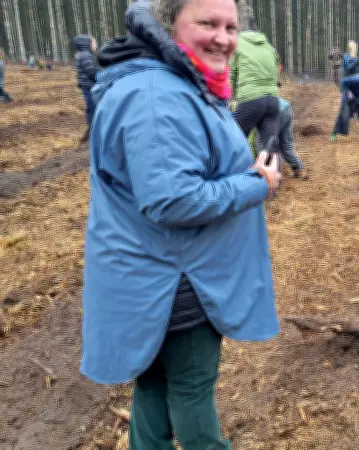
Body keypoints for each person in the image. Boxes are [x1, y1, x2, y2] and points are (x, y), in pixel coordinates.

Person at [81, 1, 281, 448]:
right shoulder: (158, 94)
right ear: (170, 25)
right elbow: (173, 200)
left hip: (154, 273)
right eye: (207, 23)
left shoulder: (167, 81)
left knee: (153, 388)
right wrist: (257, 183)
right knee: (190, 390)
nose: (223, 38)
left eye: (230, 26)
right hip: (177, 279)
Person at [230, 6, 281, 153]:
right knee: (270, 145)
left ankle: (236, 171)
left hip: (250, 99)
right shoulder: (268, 45)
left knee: (233, 138)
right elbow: (276, 67)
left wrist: (228, 97)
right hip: (272, 99)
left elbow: (231, 72)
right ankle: (271, 175)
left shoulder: (237, 43)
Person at [251, 97, 308, 179]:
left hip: (274, 112)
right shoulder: (255, 93)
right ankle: (299, 169)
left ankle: (270, 174)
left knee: (261, 142)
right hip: (285, 107)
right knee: (285, 144)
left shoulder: (245, 105)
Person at [74, 35, 98, 128]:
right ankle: (92, 128)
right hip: (89, 86)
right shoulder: (86, 55)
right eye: (94, 43)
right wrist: (102, 74)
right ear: (87, 44)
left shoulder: (84, 54)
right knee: (92, 108)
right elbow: (91, 71)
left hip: (87, 85)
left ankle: (92, 127)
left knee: (91, 107)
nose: (96, 45)